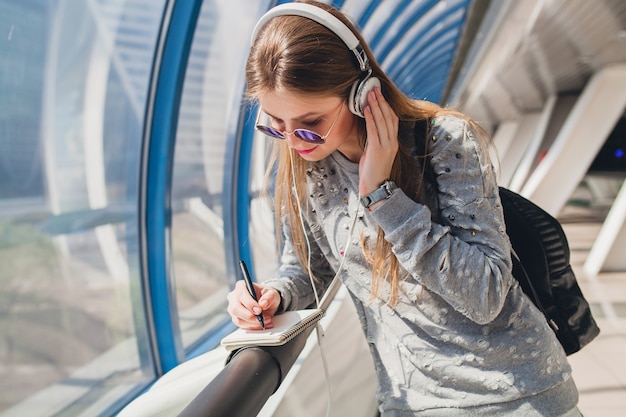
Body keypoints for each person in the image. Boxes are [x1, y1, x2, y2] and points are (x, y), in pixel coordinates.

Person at [227, 1, 581, 416]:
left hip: (516, 398)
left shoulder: (445, 142)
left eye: (310, 122)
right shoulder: (307, 171)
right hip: (409, 403)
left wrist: (382, 196)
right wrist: (274, 295)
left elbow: (486, 294)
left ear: (361, 94)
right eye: (274, 123)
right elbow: (312, 270)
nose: (293, 141)